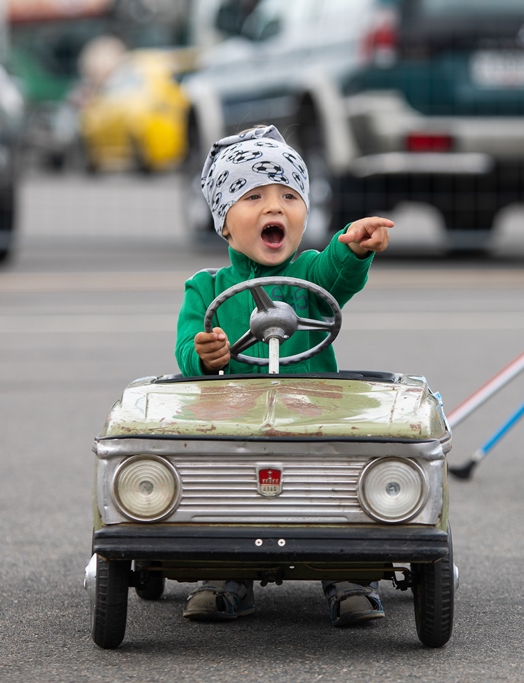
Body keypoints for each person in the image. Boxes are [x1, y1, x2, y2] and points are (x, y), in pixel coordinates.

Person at [174, 125, 394, 625]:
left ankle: (348, 575)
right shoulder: (205, 288)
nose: (275, 207)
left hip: (313, 418)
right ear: (224, 223)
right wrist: (204, 355)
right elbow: (187, 346)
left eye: (289, 196)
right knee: (221, 488)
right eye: (253, 196)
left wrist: (352, 248)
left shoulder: (309, 274)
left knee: (338, 482)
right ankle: (226, 573)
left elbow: (334, 274)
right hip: (232, 425)